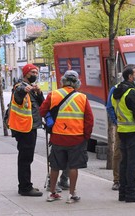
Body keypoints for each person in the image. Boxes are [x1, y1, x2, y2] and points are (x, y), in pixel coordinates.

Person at [39, 70, 94, 203]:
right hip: (76, 137)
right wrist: (86, 136)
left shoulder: (54, 94)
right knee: (73, 166)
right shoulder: (82, 97)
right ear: (77, 82)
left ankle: (52, 193)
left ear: (63, 81)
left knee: (55, 166)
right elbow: (89, 120)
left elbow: (42, 111)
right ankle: (71, 194)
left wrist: (50, 119)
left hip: (58, 137)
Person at [111, 64, 135, 202]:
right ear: (130, 76)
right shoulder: (132, 92)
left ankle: (123, 193)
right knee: (133, 164)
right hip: (133, 133)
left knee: (124, 163)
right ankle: (131, 193)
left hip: (122, 131)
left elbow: (114, 110)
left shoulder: (117, 92)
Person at [8, 63, 44, 196]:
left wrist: (39, 93)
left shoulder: (31, 89)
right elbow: (18, 97)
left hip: (29, 127)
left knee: (27, 158)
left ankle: (26, 184)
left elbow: (42, 104)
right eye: (32, 73)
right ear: (26, 73)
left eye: (36, 73)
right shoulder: (20, 87)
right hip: (24, 129)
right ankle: (25, 187)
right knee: (25, 158)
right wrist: (25, 90)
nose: (35, 75)